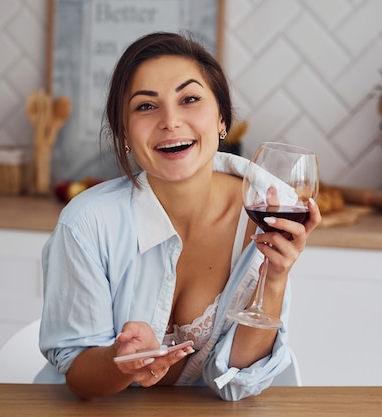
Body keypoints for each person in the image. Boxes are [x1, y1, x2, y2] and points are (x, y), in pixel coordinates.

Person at [37, 31, 321, 401]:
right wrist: (120, 363)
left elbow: (235, 383)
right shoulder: (86, 224)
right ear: (123, 132)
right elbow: (79, 376)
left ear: (222, 118)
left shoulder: (268, 208)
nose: (170, 121)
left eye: (189, 99)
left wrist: (276, 277)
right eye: (145, 106)